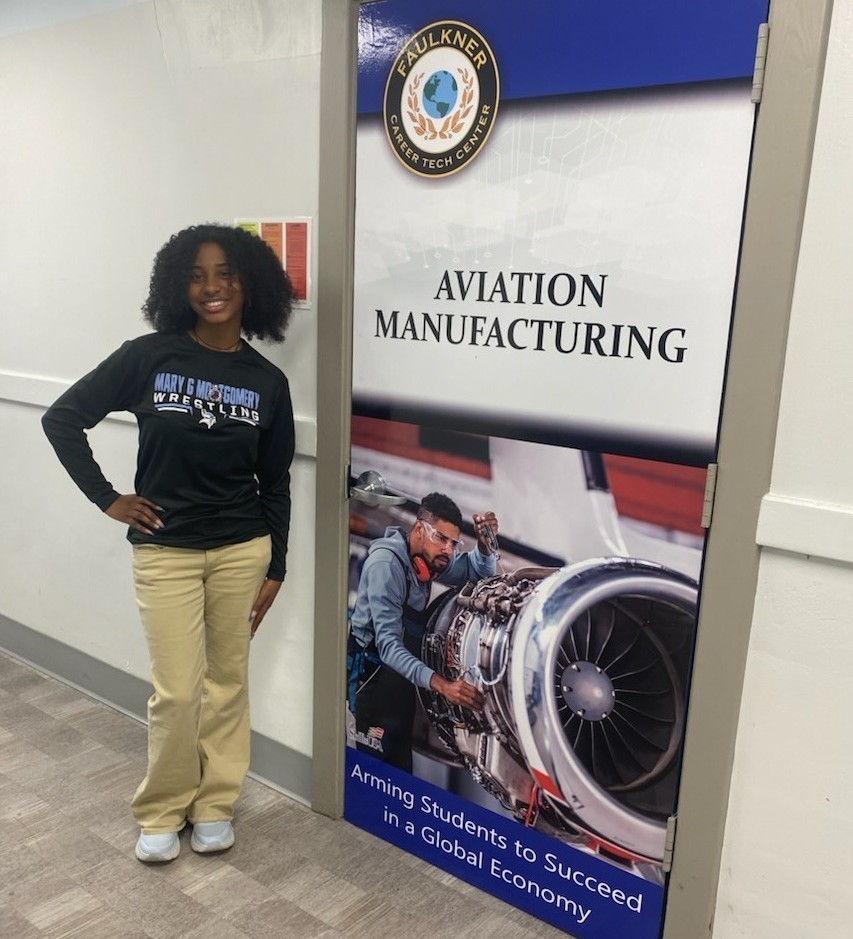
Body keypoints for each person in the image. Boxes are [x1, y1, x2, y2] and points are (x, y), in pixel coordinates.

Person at [41, 223, 295, 863]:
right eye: (197, 276)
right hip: (166, 552)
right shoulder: (149, 357)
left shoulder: (267, 381)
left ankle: (215, 805)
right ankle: (161, 809)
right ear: (178, 286)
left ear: (250, 286)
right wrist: (109, 498)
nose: (212, 287)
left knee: (227, 683)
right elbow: (63, 418)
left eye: (226, 274)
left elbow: (275, 482)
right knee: (178, 691)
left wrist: (278, 565)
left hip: (243, 549)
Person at [347, 492, 498, 772]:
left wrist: (485, 548)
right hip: (370, 677)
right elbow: (389, 648)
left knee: (400, 766)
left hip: (400, 677)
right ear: (419, 529)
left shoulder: (429, 559)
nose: (448, 550)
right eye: (441, 538)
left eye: (453, 543)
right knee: (373, 767)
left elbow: (479, 575)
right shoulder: (386, 566)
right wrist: (444, 686)